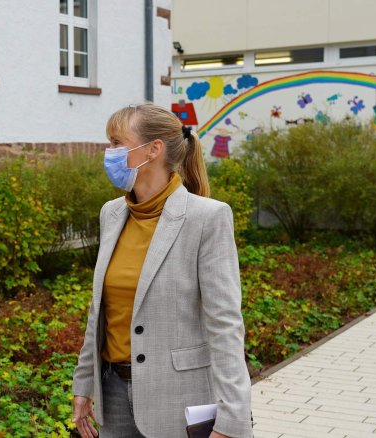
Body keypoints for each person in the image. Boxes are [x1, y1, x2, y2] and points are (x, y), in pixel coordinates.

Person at [71, 104, 253, 438]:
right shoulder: (111, 214)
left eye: (116, 143)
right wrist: (83, 384)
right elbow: (99, 311)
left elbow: (225, 324)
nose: (108, 153)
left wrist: (233, 420)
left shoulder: (207, 218)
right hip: (112, 398)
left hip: (178, 400)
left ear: (153, 150)